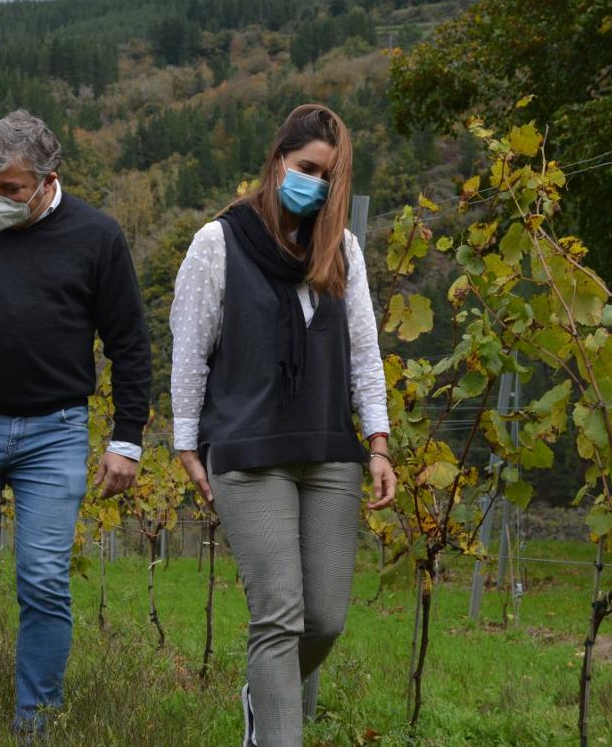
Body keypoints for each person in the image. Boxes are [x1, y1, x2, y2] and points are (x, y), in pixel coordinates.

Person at [170, 104, 396, 747]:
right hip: (247, 449)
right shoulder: (219, 241)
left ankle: (263, 695)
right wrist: (187, 439)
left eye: (328, 177)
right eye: (306, 169)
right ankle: (274, 733)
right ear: (277, 161)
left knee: (323, 620)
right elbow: (190, 345)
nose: (316, 186)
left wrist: (377, 442)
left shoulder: (341, 247)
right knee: (279, 618)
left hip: (328, 449)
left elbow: (364, 352)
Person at [0, 110, 152, 736]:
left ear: (49, 180)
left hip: (54, 432)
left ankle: (36, 719)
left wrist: (126, 440)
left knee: (44, 578)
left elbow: (129, 342)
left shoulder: (97, 237)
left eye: (11, 188)